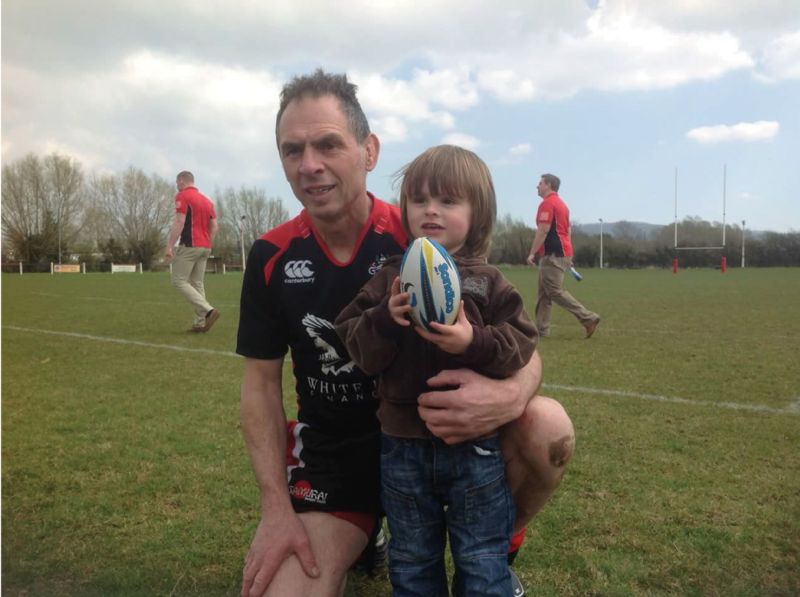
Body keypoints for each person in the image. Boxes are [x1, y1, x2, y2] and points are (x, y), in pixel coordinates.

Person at [237, 70, 574, 597]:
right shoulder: (272, 256)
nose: (310, 165)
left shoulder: (422, 234)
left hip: (436, 437)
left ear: (368, 151)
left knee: (547, 425)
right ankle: (366, 532)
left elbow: (519, 345)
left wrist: (505, 396)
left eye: (328, 144)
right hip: (337, 454)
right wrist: (276, 510)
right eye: (292, 150)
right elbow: (258, 387)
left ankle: (493, 541)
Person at [335, 145, 537, 596]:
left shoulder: (488, 282)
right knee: (412, 561)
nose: (431, 210)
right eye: (419, 199)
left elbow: (521, 343)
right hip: (402, 449)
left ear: (478, 214)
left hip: (475, 452)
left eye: (448, 201)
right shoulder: (389, 278)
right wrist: (385, 319)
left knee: (483, 558)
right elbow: (352, 340)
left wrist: (475, 342)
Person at [526, 174, 600, 338]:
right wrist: (568, 255)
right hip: (562, 253)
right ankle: (542, 330)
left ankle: (588, 317)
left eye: (540, 183)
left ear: (549, 185)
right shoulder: (562, 205)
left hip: (553, 254)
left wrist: (532, 253)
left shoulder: (547, 204)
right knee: (544, 294)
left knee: (554, 291)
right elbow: (568, 231)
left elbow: (543, 229)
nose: (537, 186)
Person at [164, 171, 220, 333]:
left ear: (182, 180)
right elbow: (215, 225)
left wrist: (169, 246)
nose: (176, 185)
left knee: (178, 281)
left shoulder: (183, 196)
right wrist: (208, 241)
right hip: (205, 246)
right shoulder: (207, 201)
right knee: (196, 283)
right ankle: (200, 322)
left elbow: (179, 222)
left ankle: (208, 311)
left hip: (190, 245)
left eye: (177, 181)